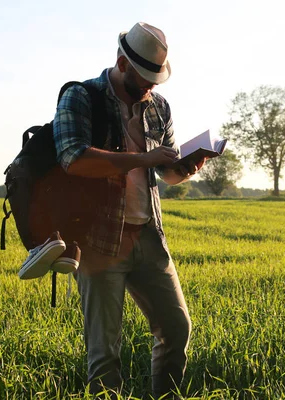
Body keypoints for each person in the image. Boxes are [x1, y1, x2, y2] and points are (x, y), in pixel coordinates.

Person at [53, 22, 203, 397]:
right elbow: (74, 158)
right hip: (98, 240)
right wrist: (141, 157)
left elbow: (163, 171)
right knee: (104, 353)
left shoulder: (159, 106)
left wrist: (183, 169)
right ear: (122, 63)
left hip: (148, 235)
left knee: (177, 328)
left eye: (156, 78)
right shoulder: (81, 96)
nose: (151, 86)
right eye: (144, 78)